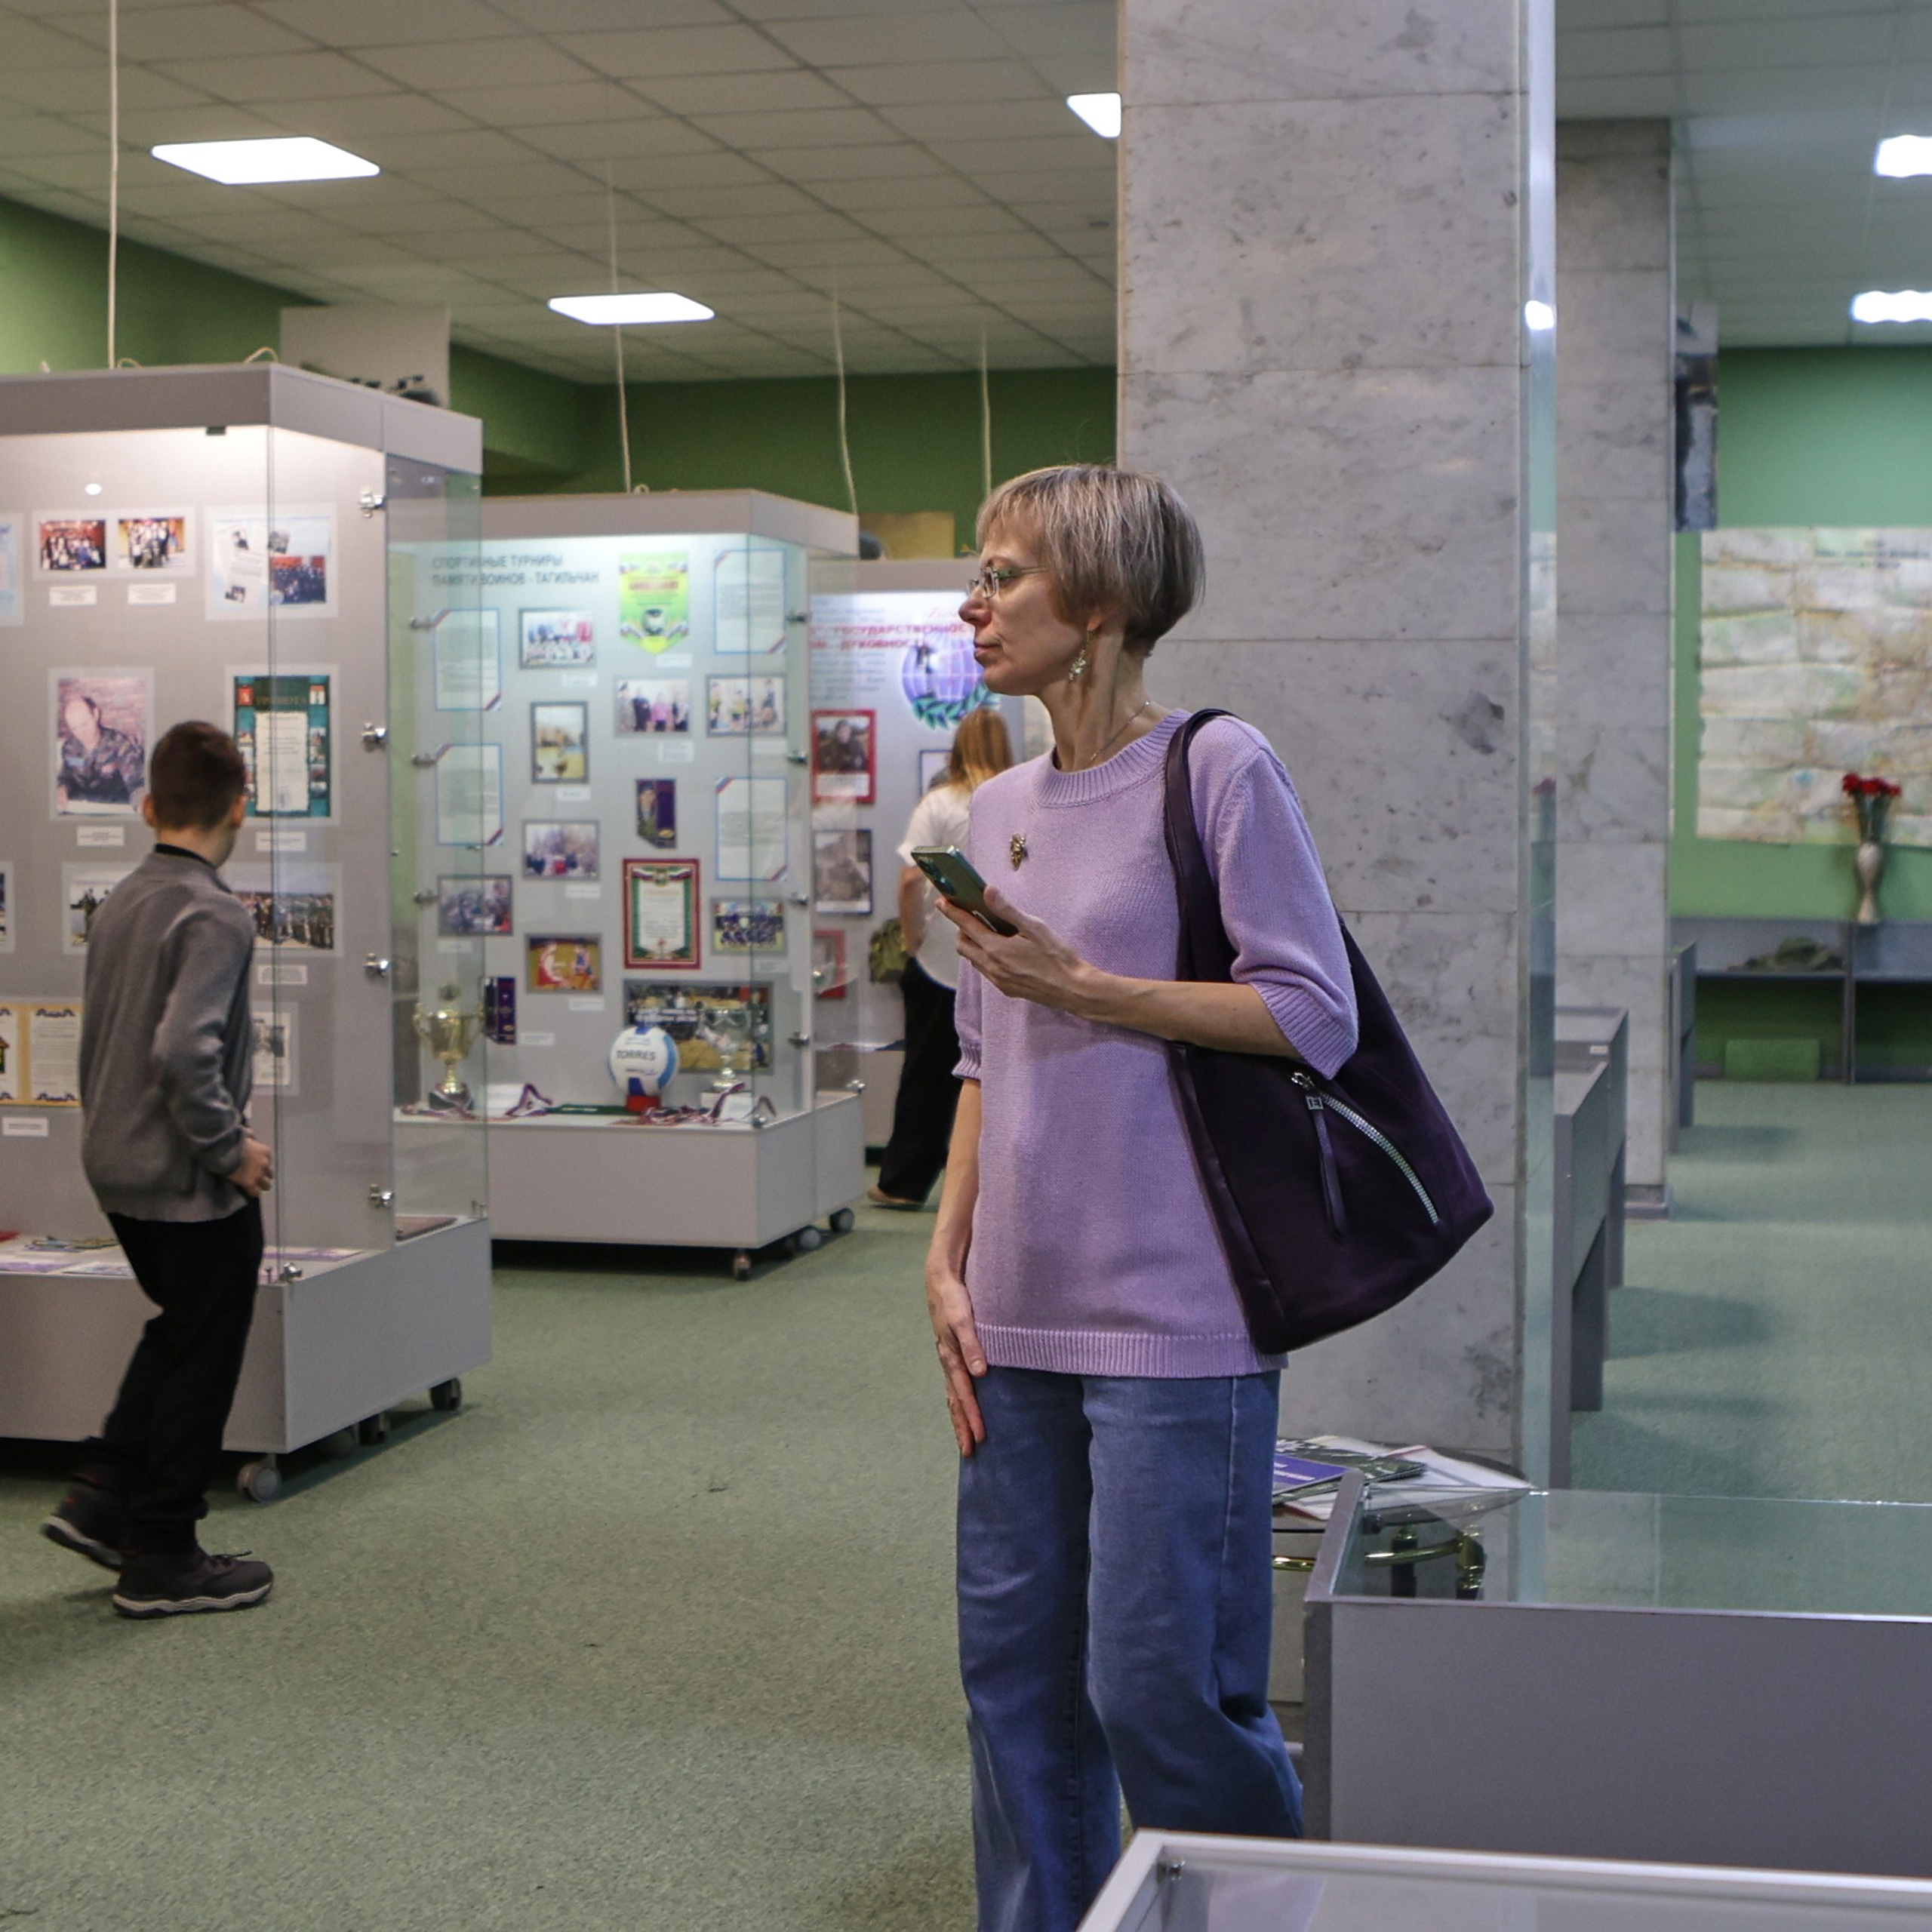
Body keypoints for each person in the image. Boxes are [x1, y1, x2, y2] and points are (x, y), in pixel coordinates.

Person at [924, 466, 1359, 1932]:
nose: (973, 605)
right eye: (978, 574)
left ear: (1101, 603)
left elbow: (1310, 1013)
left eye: (1004, 576)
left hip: (1179, 1316)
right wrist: (944, 1254)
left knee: (1161, 1688)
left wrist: (1089, 985)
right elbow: (981, 1056)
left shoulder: (1218, 768)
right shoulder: (994, 811)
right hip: (1012, 1313)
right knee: (1018, 1687)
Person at [40, 719, 277, 1619]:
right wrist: (231, 1150)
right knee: (204, 1352)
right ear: (239, 808)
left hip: (114, 1162)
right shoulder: (215, 913)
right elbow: (184, 1050)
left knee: (181, 1325)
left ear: (147, 807)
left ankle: (104, 1494)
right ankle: (163, 1552)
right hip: (186, 1173)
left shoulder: (123, 900)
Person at [869, 707, 1015, 1209]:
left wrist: (911, 941)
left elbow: (912, 879)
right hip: (1003, 955)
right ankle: (1001, 1191)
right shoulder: (1019, 798)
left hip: (942, 958)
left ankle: (903, 1183)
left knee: (926, 1075)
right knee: (1005, 1077)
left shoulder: (939, 803)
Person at [55, 691, 146, 811]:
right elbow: (66, 774)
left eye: (85, 724)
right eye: (75, 728)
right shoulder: (69, 747)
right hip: (82, 808)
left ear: (96, 714)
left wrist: (142, 805)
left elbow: (137, 783)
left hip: (115, 808)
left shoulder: (119, 743)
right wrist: (62, 789)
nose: (82, 733)